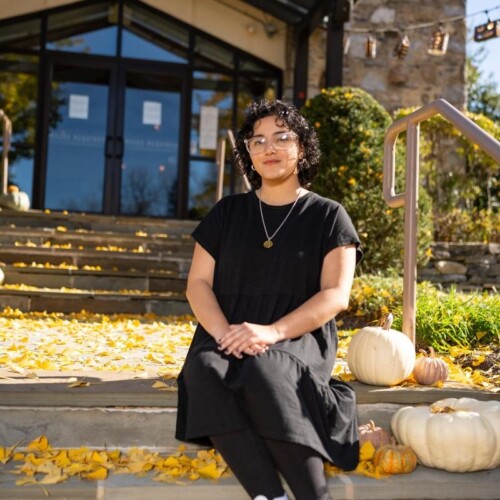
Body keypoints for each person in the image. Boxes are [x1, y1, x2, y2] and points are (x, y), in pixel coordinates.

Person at [176, 99, 362, 500]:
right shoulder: (226, 213)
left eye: (281, 137)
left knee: (265, 371)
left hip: (296, 334)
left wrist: (272, 331)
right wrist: (226, 333)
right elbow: (198, 285)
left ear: (302, 148)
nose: (269, 148)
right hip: (227, 329)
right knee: (203, 369)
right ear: (248, 154)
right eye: (257, 141)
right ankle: (268, 495)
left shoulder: (330, 215)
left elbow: (335, 295)